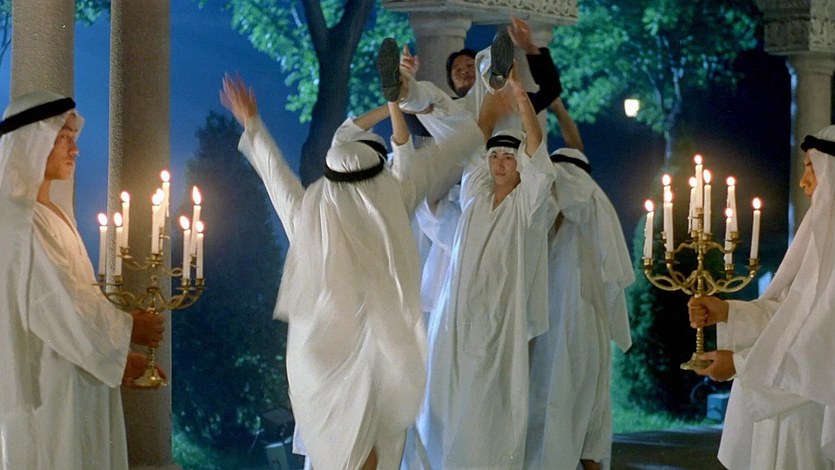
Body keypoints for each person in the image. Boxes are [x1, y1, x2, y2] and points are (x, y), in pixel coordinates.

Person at [220, 37, 484, 469]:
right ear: (380, 169)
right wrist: (398, 100)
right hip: (379, 356)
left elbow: (276, 172)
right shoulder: (393, 195)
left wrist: (252, 123)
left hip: (321, 357)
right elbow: (435, 145)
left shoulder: (313, 210)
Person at [0, 91, 165, 470]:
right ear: (33, 140)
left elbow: (76, 296)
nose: (75, 150)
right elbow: (54, 303)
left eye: (74, 138)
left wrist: (121, 355)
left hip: (80, 374)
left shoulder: (52, 213)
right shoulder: (20, 221)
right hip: (49, 385)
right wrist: (128, 330)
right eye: (63, 138)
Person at [418, 64, 556, 469]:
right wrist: (490, 100)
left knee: (484, 399)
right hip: (454, 313)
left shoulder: (526, 204)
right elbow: (475, 147)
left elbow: (536, 148)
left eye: (508, 158)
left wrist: (519, 92)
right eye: (495, 156)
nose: (499, 163)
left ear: (519, 165)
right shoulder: (475, 194)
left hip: (497, 316)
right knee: (444, 393)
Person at [688, 125, 835, 469]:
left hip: (809, 412)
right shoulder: (821, 237)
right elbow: (791, 315)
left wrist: (740, 364)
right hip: (782, 404)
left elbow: (823, 342)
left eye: (811, 169)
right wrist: (727, 312)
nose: (804, 182)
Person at [525, 144, 634, 470]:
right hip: (552, 325)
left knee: (575, 400)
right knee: (554, 399)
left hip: (580, 321)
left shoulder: (589, 205)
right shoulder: (560, 207)